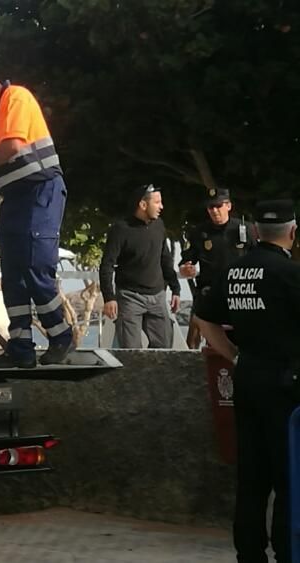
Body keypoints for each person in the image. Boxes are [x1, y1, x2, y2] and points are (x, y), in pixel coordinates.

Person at [195, 199, 300, 563]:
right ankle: (288, 550)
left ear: (255, 231)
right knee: (289, 475)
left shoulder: (234, 271)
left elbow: (203, 320)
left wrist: (234, 355)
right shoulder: (291, 275)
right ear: (292, 232)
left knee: (252, 475)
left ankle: (250, 552)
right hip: (285, 384)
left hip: (247, 376)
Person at [0, 67, 74, 369]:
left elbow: (13, 146)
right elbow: (10, 164)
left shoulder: (16, 98)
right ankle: (20, 347)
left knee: (36, 264)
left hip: (41, 192)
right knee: (13, 274)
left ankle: (60, 335)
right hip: (17, 197)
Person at [98, 184, 181, 348]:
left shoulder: (159, 225)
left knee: (164, 349)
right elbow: (107, 265)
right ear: (143, 205)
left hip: (157, 296)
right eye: (157, 202)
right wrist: (109, 298)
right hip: (129, 298)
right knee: (131, 352)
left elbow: (165, 259)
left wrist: (175, 289)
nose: (161, 207)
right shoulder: (120, 229)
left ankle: (156, 375)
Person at [179, 188, 256, 348]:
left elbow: (259, 257)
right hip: (210, 292)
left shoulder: (246, 229)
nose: (214, 211)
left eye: (218, 206)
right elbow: (186, 261)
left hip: (240, 293)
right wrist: (186, 268)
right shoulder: (199, 232)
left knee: (243, 339)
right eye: (210, 207)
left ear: (228, 206)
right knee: (197, 337)